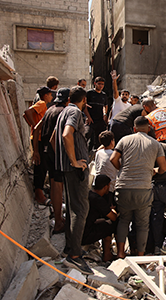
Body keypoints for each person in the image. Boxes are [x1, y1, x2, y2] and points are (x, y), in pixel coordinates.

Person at [110, 116, 166, 258]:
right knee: (142, 225)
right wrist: (154, 171)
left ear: (134, 128)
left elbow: (113, 159)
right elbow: (164, 168)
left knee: (123, 220)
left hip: (123, 186)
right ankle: (140, 257)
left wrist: (121, 169)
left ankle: (121, 253)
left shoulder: (124, 140)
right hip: (143, 189)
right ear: (148, 128)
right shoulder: (155, 144)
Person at [54, 86, 93, 275]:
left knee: (72, 208)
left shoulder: (63, 111)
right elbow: (65, 135)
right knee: (80, 209)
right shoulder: (75, 112)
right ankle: (75, 256)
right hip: (75, 169)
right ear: (84, 99)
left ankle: (70, 248)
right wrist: (74, 161)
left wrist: (64, 160)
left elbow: (55, 138)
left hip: (66, 168)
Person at [34, 88, 70, 234]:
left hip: (46, 152)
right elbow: (55, 137)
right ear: (68, 100)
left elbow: (36, 128)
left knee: (56, 185)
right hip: (57, 153)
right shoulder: (65, 112)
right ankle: (59, 221)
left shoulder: (49, 110)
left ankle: (58, 219)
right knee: (58, 186)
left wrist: (36, 150)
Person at [23, 86, 53, 206]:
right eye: (50, 95)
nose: (51, 97)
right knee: (40, 166)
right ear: (46, 95)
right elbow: (27, 112)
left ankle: (40, 190)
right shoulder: (41, 103)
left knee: (42, 165)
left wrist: (33, 126)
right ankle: (38, 194)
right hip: (39, 140)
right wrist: (36, 126)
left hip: (39, 138)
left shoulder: (42, 105)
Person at [82, 175, 118, 262]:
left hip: (79, 231)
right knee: (112, 225)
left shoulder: (88, 194)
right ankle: (109, 254)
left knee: (103, 223)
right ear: (105, 187)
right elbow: (113, 218)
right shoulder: (98, 200)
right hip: (86, 235)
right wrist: (114, 210)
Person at [84, 77, 108, 151]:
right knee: (87, 136)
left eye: (102, 84)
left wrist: (105, 114)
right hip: (90, 120)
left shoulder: (104, 95)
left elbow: (105, 105)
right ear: (95, 84)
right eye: (99, 84)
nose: (101, 86)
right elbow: (84, 105)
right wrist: (88, 117)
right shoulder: (89, 93)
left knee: (99, 139)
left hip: (100, 120)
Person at [95, 131, 118, 205]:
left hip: (98, 184)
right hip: (111, 187)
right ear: (112, 141)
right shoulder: (114, 155)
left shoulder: (99, 153)